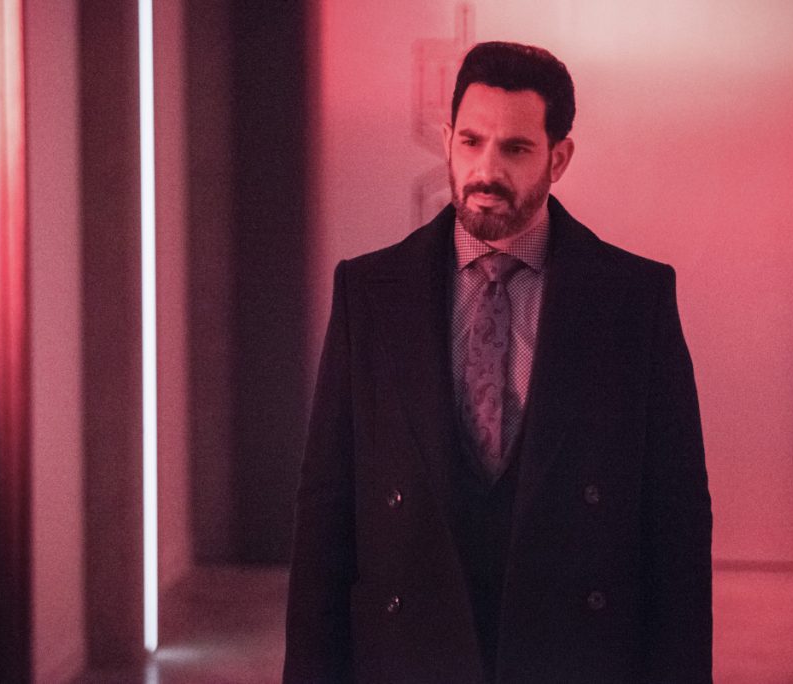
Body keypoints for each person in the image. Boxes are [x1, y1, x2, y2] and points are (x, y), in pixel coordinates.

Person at [284, 41, 712, 683]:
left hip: (572, 654)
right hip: (410, 654)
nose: (486, 170)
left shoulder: (633, 299)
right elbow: (326, 507)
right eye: (471, 142)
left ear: (558, 158)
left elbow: (676, 521)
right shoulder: (369, 293)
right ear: (448, 140)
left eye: (515, 148)